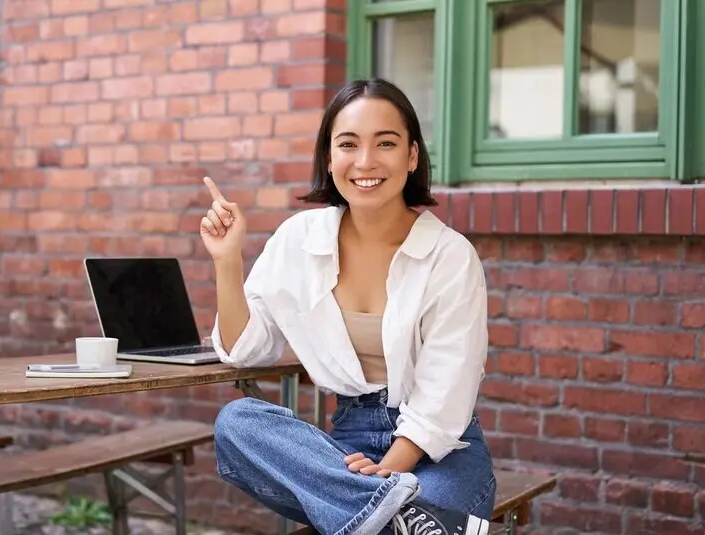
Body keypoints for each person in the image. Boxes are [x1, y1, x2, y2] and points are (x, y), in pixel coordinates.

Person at [198, 78, 494, 535]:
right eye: (348, 144)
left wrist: (391, 470)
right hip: (344, 452)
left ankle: (374, 513)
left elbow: (446, 392)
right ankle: (396, 516)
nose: (366, 162)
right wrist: (228, 262)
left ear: (412, 156)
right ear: (329, 158)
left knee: (379, 515)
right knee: (238, 422)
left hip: (439, 451)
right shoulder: (298, 239)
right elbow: (244, 351)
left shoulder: (449, 256)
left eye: (386, 143)